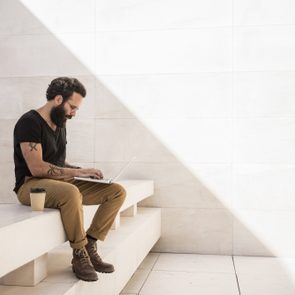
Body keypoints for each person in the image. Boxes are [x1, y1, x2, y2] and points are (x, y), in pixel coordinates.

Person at [13, 77, 126, 282]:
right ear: (58, 99)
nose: (74, 113)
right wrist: (78, 174)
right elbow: (37, 167)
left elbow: (57, 163)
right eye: (72, 107)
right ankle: (79, 253)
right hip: (30, 186)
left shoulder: (60, 123)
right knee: (71, 192)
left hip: (59, 184)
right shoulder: (29, 122)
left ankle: (90, 244)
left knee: (116, 191)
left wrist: (81, 170)